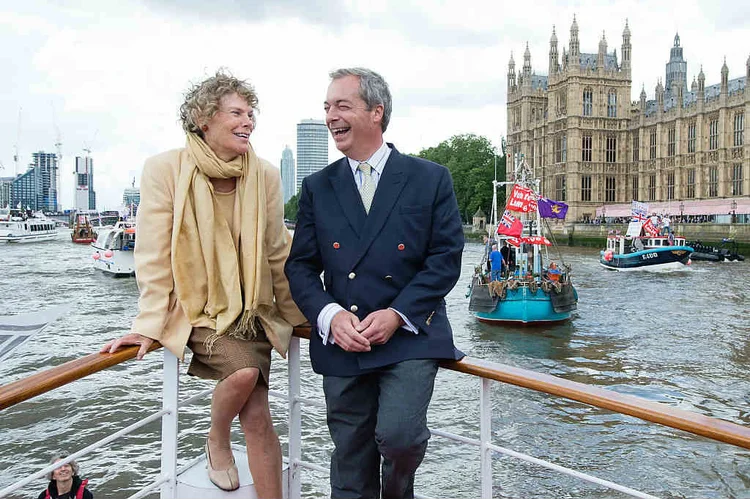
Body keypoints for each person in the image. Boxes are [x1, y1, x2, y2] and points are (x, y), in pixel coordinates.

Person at [100, 71, 305, 496]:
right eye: (236, 113)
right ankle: (216, 436)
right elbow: (153, 255)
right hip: (194, 311)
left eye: (251, 114)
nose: (248, 121)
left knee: (258, 416)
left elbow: (276, 252)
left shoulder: (264, 174)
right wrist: (148, 322)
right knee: (245, 373)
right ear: (203, 118)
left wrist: (300, 316)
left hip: (249, 310)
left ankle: (228, 449)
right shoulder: (165, 169)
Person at [284, 67, 464, 499]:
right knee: (350, 457)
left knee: (401, 438)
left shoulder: (430, 178)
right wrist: (328, 316)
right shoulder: (317, 187)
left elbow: (445, 259)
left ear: (376, 111)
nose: (331, 116)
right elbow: (301, 267)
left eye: (342, 105)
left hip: (409, 334)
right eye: (327, 107)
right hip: (344, 338)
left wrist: (398, 313)